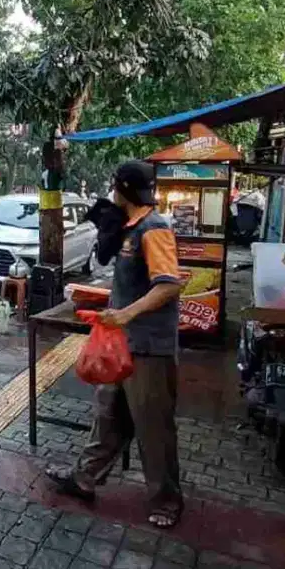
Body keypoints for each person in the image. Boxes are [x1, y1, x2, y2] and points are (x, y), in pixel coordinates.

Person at [47, 159, 184, 528]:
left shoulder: (154, 229)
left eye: (114, 186)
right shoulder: (130, 227)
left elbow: (168, 285)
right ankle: (84, 479)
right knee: (108, 415)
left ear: (122, 189)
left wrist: (124, 314)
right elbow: (131, 280)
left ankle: (167, 502)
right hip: (124, 343)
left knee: (153, 427)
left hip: (149, 348)